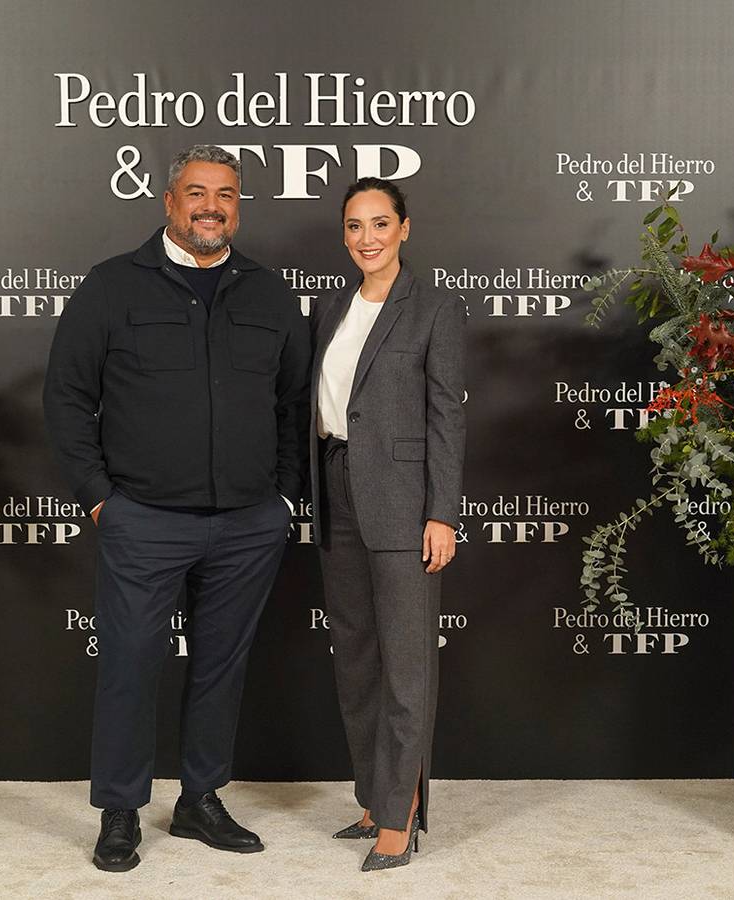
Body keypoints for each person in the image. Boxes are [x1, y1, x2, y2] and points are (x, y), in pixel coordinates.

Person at [43, 145, 310, 873]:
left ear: (238, 206)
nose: (210, 207)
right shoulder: (111, 286)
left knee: (220, 666)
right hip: (143, 520)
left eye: (225, 194)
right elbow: (67, 399)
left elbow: (292, 403)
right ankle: (121, 810)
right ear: (168, 201)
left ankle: (199, 800)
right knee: (130, 663)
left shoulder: (268, 293)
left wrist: (285, 496)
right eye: (197, 192)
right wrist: (101, 501)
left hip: (248, 522)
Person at [309, 177, 467, 872]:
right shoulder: (330, 307)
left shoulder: (434, 307)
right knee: (358, 659)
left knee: (405, 664)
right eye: (353, 226)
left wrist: (442, 513)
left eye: (379, 224)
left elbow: (446, 417)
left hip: (404, 501)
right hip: (337, 488)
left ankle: (400, 816)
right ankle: (374, 795)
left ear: (405, 228)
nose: (366, 238)